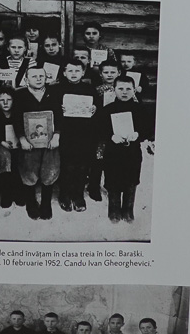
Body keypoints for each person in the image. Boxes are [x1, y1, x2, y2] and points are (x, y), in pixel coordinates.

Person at [12, 65, 60, 220]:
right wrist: (21, 138)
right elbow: (16, 118)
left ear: (46, 78)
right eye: (34, 76)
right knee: (28, 172)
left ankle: (46, 203)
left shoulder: (53, 93)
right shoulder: (20, 95)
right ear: (27, 79)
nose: (38, 79)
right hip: (29, 142)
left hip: (49, 141)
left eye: (41, 76)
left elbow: (59, 116)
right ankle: (31, 202)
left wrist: (57, 136)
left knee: (49, 171)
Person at [101, 75, 150, 223]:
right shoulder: (107, 109)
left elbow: (148, 128)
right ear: (114, 89)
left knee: (131, 179)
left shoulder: (141, 109)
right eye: (120, 88)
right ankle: (114, 210)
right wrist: (111, 136)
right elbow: (100, 128)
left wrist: (138, 134)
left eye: (128, 89)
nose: (124, 92)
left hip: (132, 152)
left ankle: (128, 210)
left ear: (134, 90)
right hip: (113, 152)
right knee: (113, 179)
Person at [57, 59, 100, 211]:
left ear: (83, 73)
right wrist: (59, 108)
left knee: (82, 165)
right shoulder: (58, 89)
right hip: (66, 132)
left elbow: (97, 106)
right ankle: (64, 194)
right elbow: (52, 109)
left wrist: (95, 108)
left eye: (77, 71)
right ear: (64, 73)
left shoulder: (90, 89)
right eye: (70, 71)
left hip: (85, 133)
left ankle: (78, 194)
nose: (73, 74)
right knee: (67, 164)